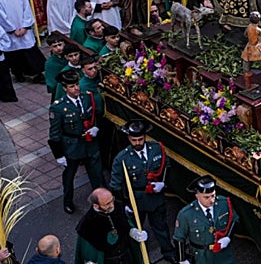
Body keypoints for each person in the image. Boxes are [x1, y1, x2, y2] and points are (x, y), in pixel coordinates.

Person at [109, 119, 172, 260]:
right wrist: (124, 204)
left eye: (140, 139)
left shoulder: (156, 149)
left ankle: (169, 253)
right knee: (136, 231)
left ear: (145, 137)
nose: (137, 143)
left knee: (161, 227)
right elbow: (115, 185)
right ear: (129, 139)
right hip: (136, 199)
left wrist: (163, 183)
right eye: (134, 140)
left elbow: (166, 166)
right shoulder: (122, 158)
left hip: (155, 196)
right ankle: (138, 257)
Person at [48, 68, 103, 214]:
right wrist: (59, 155)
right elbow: (54, 133)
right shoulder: (59, 107)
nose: (76, 88)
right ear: (65, 88)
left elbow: (96, 115)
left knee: (97, 174)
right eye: (72, 86)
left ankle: (101, 199)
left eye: (77, 84)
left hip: (90, 143)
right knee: (69, 176)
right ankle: (68, 201)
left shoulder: (87, 97)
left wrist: (96, 127)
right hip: (72, 146)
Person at [0, 0, 43, 84]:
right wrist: (12, 30)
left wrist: (25, 26)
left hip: (24, 30)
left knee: (30, 52)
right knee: (14, 55)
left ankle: (36, 73)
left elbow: (27, 10)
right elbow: (0, 16)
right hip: (11, 33)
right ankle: (18, 74)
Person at [172, 176, 238, 264]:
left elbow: (234, 220)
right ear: (197, 196)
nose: (211, 200)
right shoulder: (186, 214)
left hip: (222, 254)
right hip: (201, 257)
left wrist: (228, 238)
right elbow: (179, 238)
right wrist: (182, 260)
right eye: (206, 197)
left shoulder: (223, 204)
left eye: (213, 195)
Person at [74, 187, 147, 264]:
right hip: (109, 260)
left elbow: (126, 223)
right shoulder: (87, 223)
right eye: (107, 204)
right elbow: (87, 248)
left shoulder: (118, 206)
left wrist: (133, 232)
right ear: (96, 205)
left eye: (112, 200)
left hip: (126, 255)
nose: (112, 205)